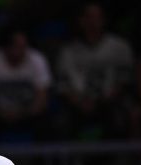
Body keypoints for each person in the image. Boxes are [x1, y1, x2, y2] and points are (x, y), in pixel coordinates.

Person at [56, 2, 134, 139]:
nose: (93, 21)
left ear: (103, 20)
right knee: (60, 122)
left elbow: (124, 79)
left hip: (110, 102)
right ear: (81, 21)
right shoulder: (68, 51)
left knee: (120, 119)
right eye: (89, 17)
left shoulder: (119, 46)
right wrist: (80, 102)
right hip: (77, 104)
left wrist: (105, 100)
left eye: (97, 17)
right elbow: (63, 84)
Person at [0, 24, 52, 144]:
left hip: (28, 114)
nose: (19, 51)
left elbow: (42, 98)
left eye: (23, 47)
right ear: (6, 47)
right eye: (15, 46)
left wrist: (23, 114)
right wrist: (3, 114)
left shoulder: (37, 60)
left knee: (47, 123)